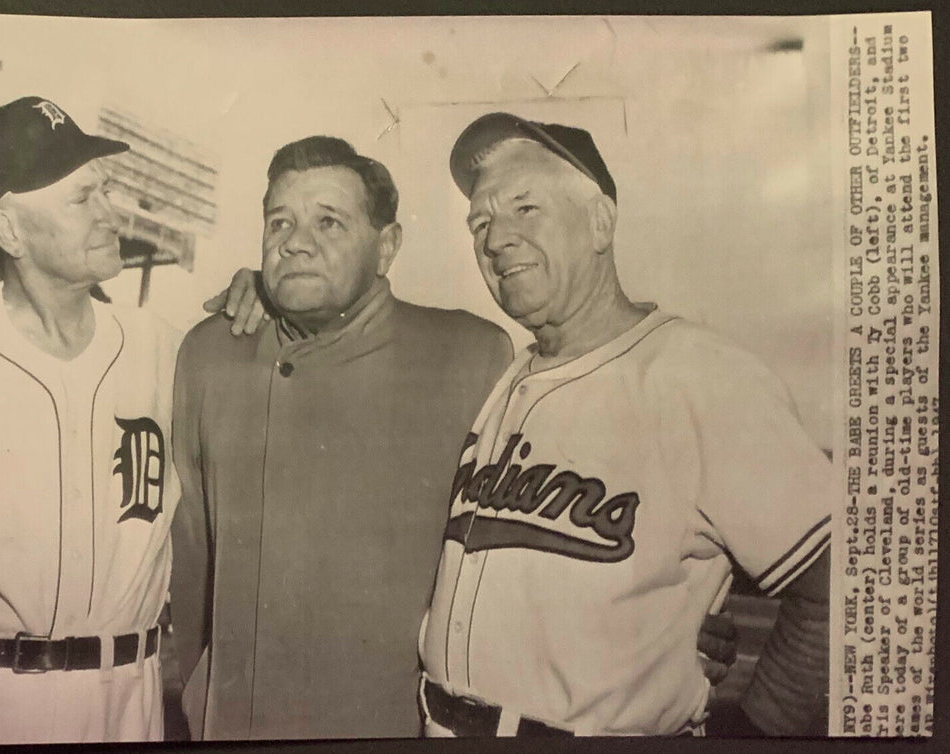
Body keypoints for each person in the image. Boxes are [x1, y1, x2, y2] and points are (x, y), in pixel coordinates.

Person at [178, 136, 741, 740]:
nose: (294, 241)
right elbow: (188, 555)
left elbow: (583, 516)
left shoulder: (469, 355)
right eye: (279, 222)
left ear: (387, 247)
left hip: (391, 727)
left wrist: (685, 619)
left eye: (329, 222)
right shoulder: (212, 352)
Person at [416, 112, 832, 738]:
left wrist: (752, 733)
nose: (497, 238)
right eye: (481, 221)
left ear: (601, 222)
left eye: (525, 208)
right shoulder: (504, 375)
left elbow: (845, 586)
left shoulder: (703, 376)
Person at [0, 96, 182, 745]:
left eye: (105, 191)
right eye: (81, 198)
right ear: (9, 231)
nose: (109, 214)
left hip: (127, 698)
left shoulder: (165, 347)